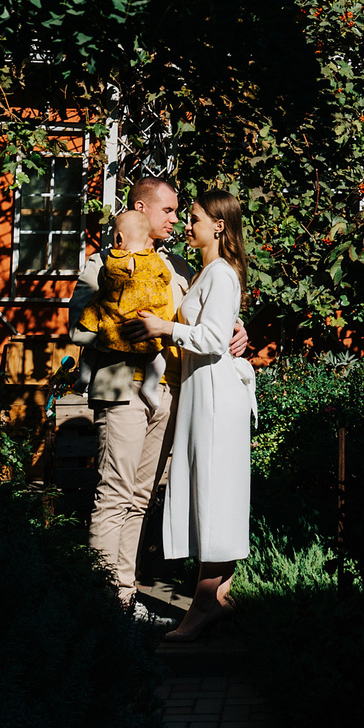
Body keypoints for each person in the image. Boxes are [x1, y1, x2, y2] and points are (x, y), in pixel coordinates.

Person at [74, 176, 248, 613]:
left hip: (169, 393)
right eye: (168, 210)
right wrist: (123, 330)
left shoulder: (181, 269)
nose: (175, 220)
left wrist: (237, 330)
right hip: (122, 386)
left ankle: (124, 594)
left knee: (141, 497)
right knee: (115, 493)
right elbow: (80, 325)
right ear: (141, 208)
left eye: (179, 213)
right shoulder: (103, 263)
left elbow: (204, 318)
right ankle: (99, 602)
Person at [135, 191, 253, 642]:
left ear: (219, 226)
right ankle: (218, 597)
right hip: (203, 389)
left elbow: (213, 338)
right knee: (212, 490)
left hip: (216, 395)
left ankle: (203, 605)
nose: (187, 225)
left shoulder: (220, 273)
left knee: (215, 492)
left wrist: (164, 327)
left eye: (195, 218)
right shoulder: (205, 271)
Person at [81, 210, 178, 411]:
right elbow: (166, 277)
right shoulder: (155, 261)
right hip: (144, 327)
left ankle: (83, 376)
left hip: (116, 324)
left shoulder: (111, 260)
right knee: (159, 353)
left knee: (91, 342)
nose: (175, 219)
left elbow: (106, 279)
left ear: (119, 238)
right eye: (167, 210)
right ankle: (150, 385)